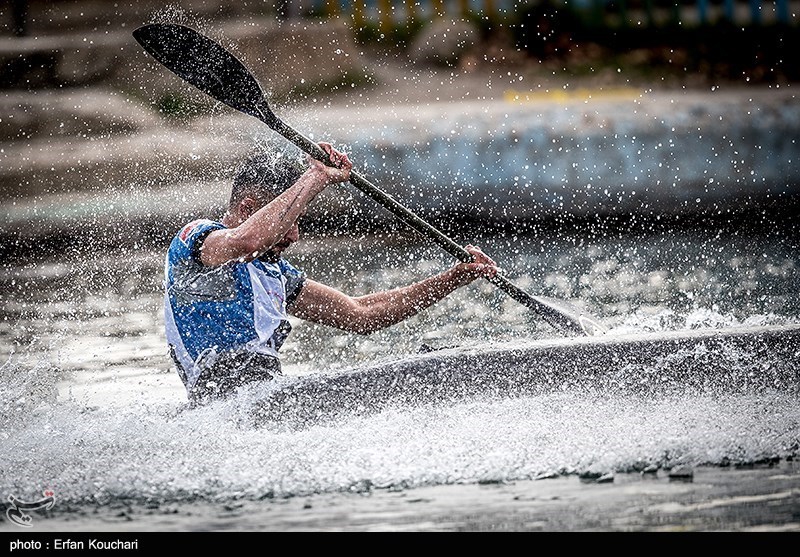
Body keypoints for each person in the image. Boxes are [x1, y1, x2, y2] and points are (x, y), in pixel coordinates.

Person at [164, 142, 498, 403]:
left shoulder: (277, 275)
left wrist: (454, 277)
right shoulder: (197, 241)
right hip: (226, 402)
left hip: (269, 395)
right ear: (248, 209)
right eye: (290, 220)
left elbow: (361, 315)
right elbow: (247, 239)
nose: (295, 235)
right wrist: (317, 176)